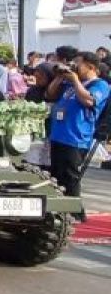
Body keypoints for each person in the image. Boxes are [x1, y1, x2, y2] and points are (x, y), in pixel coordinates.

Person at [46, 51, 111, 198]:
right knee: (56, 177)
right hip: (58, 135)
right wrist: (59, 76)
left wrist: (75, 80)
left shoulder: (100, 85)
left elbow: (89, 101)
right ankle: (59, 209)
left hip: (76, 138)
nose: (74, 67)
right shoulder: (71, 83)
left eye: (78, 64)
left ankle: (75, 212)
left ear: (91, 67)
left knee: (70, 177)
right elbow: (50, 94)